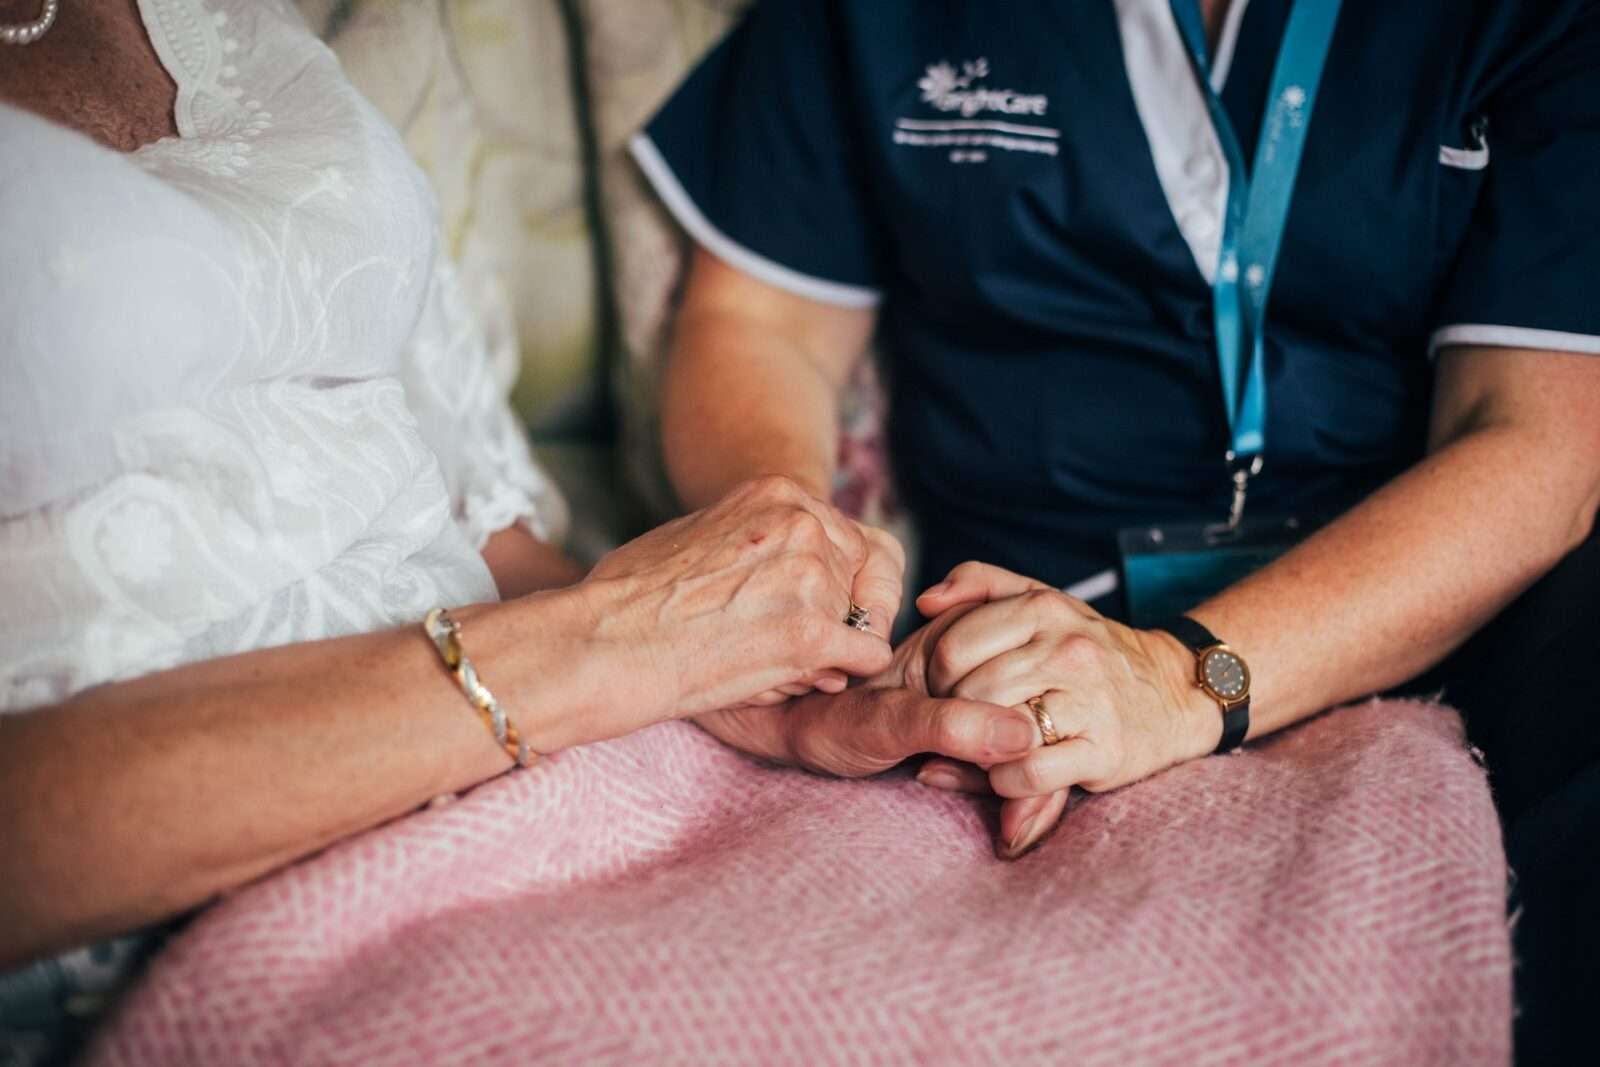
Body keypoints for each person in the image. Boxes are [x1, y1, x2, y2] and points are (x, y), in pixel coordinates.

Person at [0, 2, 1048, 1062]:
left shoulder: (229, 17)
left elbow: (472, 526)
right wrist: (611, 643)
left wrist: (751, 664)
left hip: (556, 763)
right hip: (217, 905)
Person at [634, 0, 1600, 1060]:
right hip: (1005, 619)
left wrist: (1172, 682)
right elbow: (756, 322)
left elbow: (1537, 448)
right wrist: (797, 545)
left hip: (1434, 610)